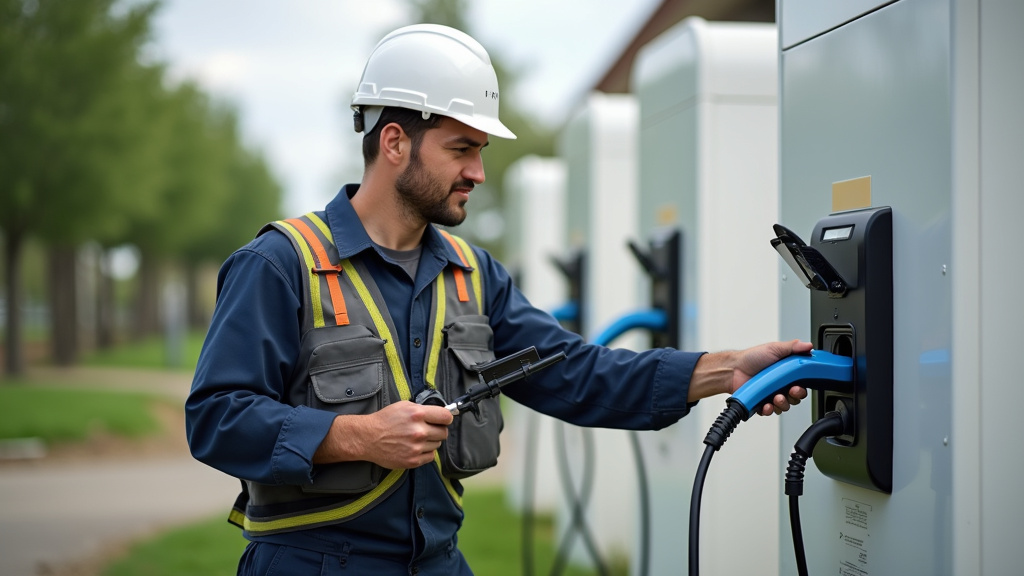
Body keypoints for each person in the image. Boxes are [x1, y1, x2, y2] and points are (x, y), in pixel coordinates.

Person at [185, 23, 808, 576]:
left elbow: (575, 372)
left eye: (481, 151)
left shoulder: (473, 275)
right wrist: (356, 436)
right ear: (395, 142)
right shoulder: (280, 264)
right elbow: (216, 418)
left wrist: (727, 370)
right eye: (463, 149)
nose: (479, 173)